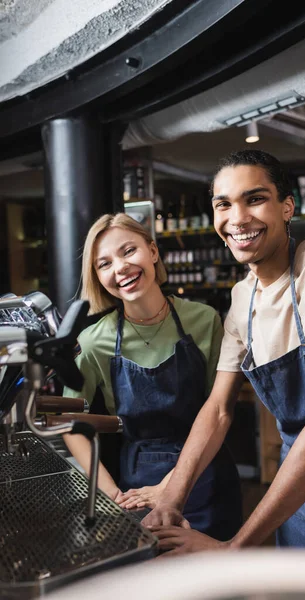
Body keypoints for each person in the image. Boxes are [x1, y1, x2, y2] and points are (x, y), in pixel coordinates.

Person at [143, 149, 305, 557]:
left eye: (255, 199)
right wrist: (171, 498)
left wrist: (235, 548)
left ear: (287, 207)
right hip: (293, 493)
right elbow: (218, 409)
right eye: (223, 204)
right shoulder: (242, 298)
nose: (238, 218)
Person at [62, 212, 243, 541]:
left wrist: (170, 487)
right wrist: (112, 495)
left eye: (128, 251)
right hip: (138, 488)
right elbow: (69, 422)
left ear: (153, 252)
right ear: (98, 277)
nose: (120, 268)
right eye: (104, 264)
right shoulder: (93, 341)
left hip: (206, 474)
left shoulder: (203, 320)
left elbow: (219, 412)